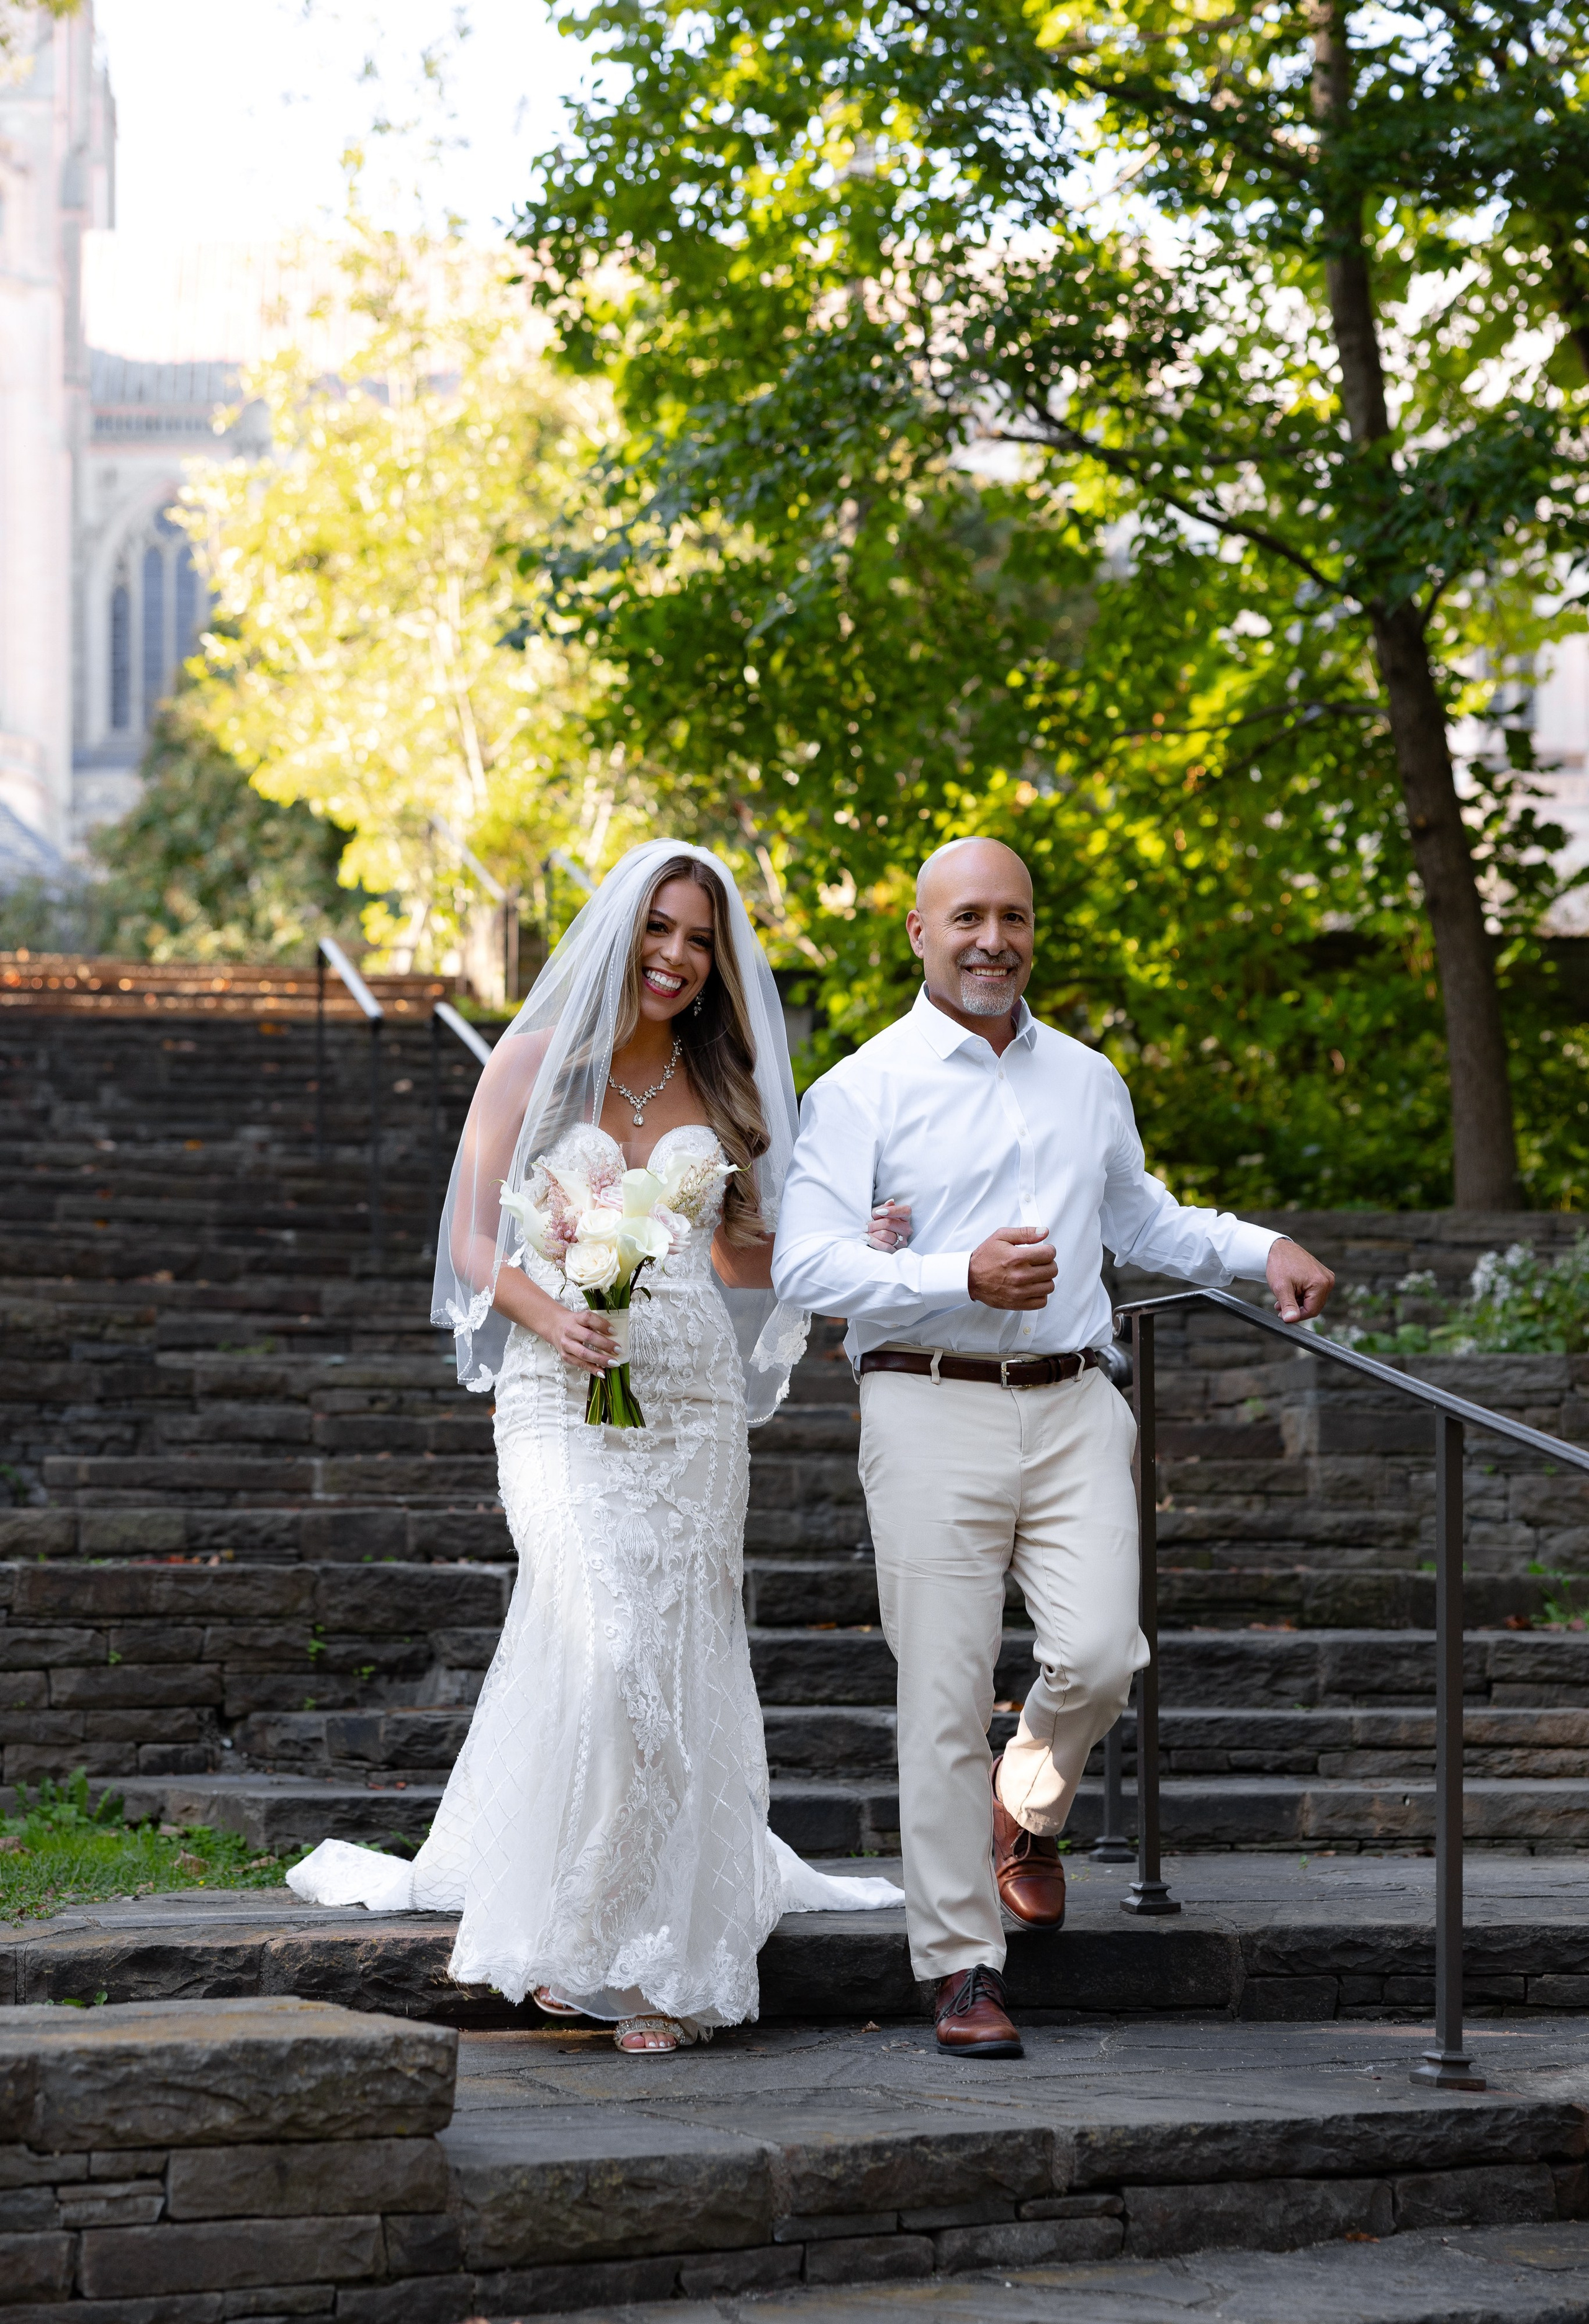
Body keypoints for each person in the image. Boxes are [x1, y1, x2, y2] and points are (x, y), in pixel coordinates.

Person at [289, 840, 905, 2053]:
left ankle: (658, 1955)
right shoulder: (527, 1064)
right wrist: (547, 1311)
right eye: (659, 931)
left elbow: (745, 1261)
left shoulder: (715, 1088)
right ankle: (583, 1921)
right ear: (620, 933)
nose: (676, 957)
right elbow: (473, 1239)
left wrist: (858, 1246)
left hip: (685, 1397)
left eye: (698, 940)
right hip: (555, 1391)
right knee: (604, 1630)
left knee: (673, 1654)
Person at [772, 837, 1335, 2061]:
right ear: (916, 932)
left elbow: (1140, 1218)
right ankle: (960, 1963)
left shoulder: (1085, 1077)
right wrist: (947, 1271)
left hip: (1078, 1397)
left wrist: (1256, 1246)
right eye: (966, 916)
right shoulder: (860, 1086)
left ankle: (1023, 1809)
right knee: (938, 1695)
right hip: (924, 1401)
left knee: (1096, 1651)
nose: (993, 938)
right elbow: (803, 1260)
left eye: (1012, 917)